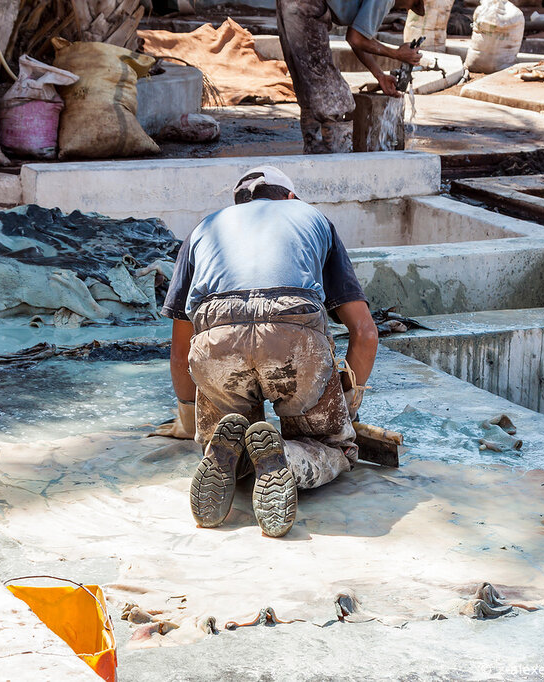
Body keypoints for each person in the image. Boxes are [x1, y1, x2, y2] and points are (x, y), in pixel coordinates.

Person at [158, 166, 379, 537]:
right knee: (335, 449)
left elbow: (181, 356)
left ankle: (230, 453)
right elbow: (366, 333)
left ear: (238, 204)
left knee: (219, 436)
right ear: (290, 198)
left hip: (217, 340)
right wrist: (345, 409)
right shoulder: (312, 218)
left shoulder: (204, 229)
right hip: (293, 337)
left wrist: (187, 420)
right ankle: (285, 457)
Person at [277, 0, 425, 153]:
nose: (405, 9)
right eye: (412, 5)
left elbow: (357, 38)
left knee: (311, 94)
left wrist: (379, 75)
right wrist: (396, 54)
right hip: (306, 7)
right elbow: (356, 38)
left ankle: (314, 161)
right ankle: (339, 164)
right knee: (336, 98)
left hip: (290, 6)